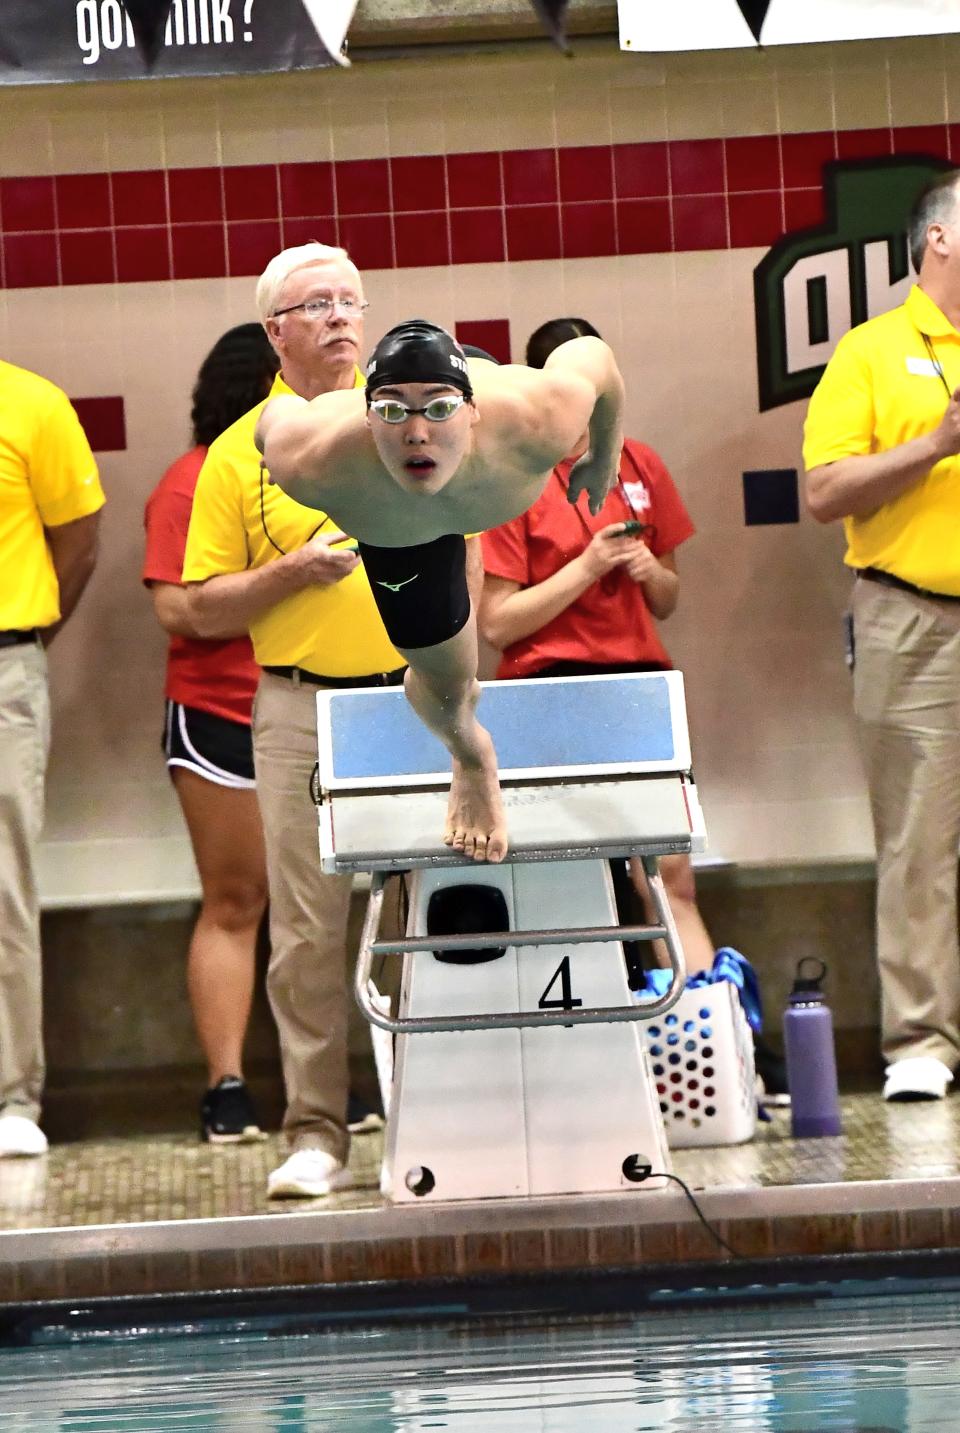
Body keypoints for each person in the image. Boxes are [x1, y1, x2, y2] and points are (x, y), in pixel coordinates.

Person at [183, 242, 406, 1199]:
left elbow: (471, 554)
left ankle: (426, 1119)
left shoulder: (408, 415)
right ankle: (316, 1129)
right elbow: (198, 605)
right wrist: (288, 574)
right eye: (316, 304)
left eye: (350, 300)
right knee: (308, 930)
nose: (341, 318)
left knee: (421, 913)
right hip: (297, 705)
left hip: (409, 698)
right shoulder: (241, 451)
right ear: (276, 330)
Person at [256, 317, 626, 867]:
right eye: (390, 410)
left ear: (472, 409)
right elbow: (273, 421)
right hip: (398, 533)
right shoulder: (313, 457)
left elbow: (597, 356)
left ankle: (473, 769)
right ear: (365, 413)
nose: (416, 432)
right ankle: (471, 752)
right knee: (446, 685)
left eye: (439, 408)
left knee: (448, 675)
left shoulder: (537, 416)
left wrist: (605, 452)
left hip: (486, 452)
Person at [479, 316, 714, 976]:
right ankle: (592, 1032)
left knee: (668, 876)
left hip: (638, 685)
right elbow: (497, 623)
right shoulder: (513, 480)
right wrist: (584, 566)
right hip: (548, 691)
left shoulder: (640, 463)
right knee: (572, 885)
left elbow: (668, 599)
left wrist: (646, 569)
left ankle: (703, 1029)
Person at [804, 169, 960, 1102]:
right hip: (912, 616)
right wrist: (934, 445)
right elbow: (824, 491)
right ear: (939, 239)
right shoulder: (871, 351)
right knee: (918, 838)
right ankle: (921, 1041)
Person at [143, 324, 278, 1143]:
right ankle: (225, 1086)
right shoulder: (190, 482)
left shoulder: (309, 478)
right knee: (235, 900)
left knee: (311, 908)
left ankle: (318, 1082)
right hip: (218, 712)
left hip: (306, 704)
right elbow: (173, 605)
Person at [0, 360, 105, 1158]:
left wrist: (28, 642)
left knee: (4, 882)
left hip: (3, 663)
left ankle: (11, 1096)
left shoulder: (31, 401)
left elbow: (77, 543)